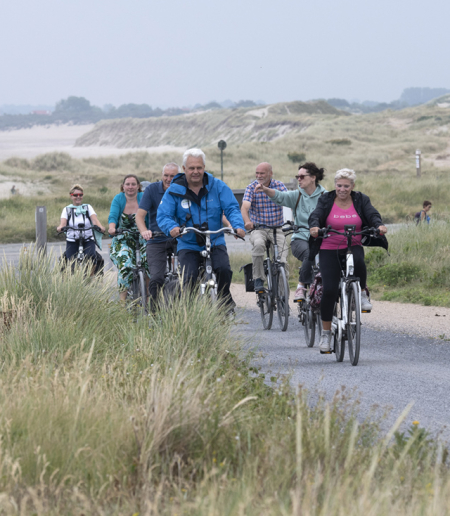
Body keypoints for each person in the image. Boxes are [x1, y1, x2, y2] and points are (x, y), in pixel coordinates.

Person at [309, 168, 388, 353]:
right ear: (335, 185)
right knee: (328, 290)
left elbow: (371, 214)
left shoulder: (361, 199)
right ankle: (326, 334)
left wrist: (379, 225)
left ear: (352, 186)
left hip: (353, 244)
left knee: (359, 260)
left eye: (346, 186)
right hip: (329, 249)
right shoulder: (326, 199)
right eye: (339, 185)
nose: (342, 189)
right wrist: (314, 226)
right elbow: (316, 215)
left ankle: (361, 293)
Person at [157, 148, 245, 311]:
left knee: (224, 269)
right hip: (188, 243)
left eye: (199, 167)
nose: (195, 171)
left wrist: (237, 226)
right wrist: (172, 228)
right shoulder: (174, 190)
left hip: (214, 240)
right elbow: (163, 215)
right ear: (184, 169)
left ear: (204, 167)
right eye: (191, 168)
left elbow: (232, 208)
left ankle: (224, 302)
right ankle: (188, 312)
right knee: (188, 278)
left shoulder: (218, 186)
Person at [255, 162, 327, 300]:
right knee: (309, 254)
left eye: (301, 176)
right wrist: (265, 189)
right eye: (297, 176)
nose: (298, 179)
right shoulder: (297, 195)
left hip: (321, 239)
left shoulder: (326, 196)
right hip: (300, 238)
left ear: (313, 177)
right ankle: (301, 286)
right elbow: (280, 196)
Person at [136, 163, 180, 312]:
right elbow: (140, 216)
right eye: (166, 175)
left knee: (188, 274)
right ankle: (153, 312)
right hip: (157, 238)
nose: (168, 179)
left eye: (172, 176)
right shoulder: (152, 190)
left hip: (180, 238)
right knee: (156, 278)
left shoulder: (183, 188)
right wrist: (144, 231)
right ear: (161, 175)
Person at [241, 162, 288, 292]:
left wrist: (290, 221)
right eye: (257, 173)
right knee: (258, 244)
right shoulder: (251, 188)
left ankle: (283, 295)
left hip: (277, 228)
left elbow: (288, 202)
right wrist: (247, 221)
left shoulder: (279, 186)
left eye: (262, 173)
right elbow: (245, 207)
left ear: (270, 174)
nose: (259, 175)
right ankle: (258, 279)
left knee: (282, 258)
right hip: (258, 228)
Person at [108, 174, 149, 302]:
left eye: (133, 184)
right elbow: (113, 216)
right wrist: (112, 228)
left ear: (138, 186)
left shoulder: (143, 197)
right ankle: (122, 303)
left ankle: (149, 297)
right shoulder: (118, 199)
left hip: (143, 236)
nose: (130, 187)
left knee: (150, 262)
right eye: (128, 184)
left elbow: (152, 215)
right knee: (125, 265)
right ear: (123, 186)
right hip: (123, 237)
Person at [57, 184, 105, 267]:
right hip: (72, 239)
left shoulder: (87, 207)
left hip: (87, 239)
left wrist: (100, 227)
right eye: (75, 195)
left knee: (91, 257)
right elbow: (63, 223)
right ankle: (72, 278)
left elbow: (94, 220)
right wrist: (60, 228)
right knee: (71, 262)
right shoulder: (67, 209)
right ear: (71, 196)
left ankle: (91, 277)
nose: (78, 197)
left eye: (80, 195)